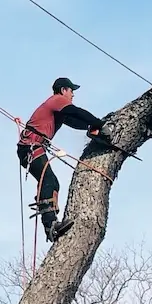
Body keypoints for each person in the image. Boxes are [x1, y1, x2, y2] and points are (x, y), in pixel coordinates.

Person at [18, 78, 103, 242]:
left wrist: (90, 126)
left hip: (33, 147)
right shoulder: (57, 100)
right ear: (64, 90)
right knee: (49, 181)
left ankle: (50, 225)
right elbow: (77, 112)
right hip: (31, 147)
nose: (73, 95)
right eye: (72, 91)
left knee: (51, 182)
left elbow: (75, 120)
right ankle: (50, 226)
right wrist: (99, 123)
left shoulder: (58, 109)